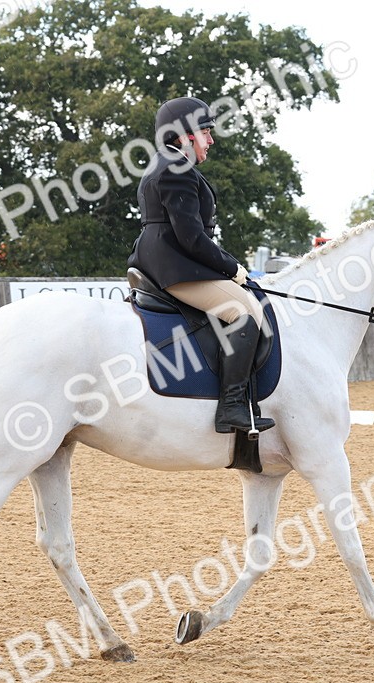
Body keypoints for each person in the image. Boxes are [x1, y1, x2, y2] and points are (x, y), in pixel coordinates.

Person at [127, 96, 274, 434]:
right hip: (174, 266)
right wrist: (232, 267)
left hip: (165, 261)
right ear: (184, 135)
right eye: (206, 132)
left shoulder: (165, 164)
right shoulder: (176, 168)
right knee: (244, 313)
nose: (211, 140)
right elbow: (192, 238)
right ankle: (232, 408)